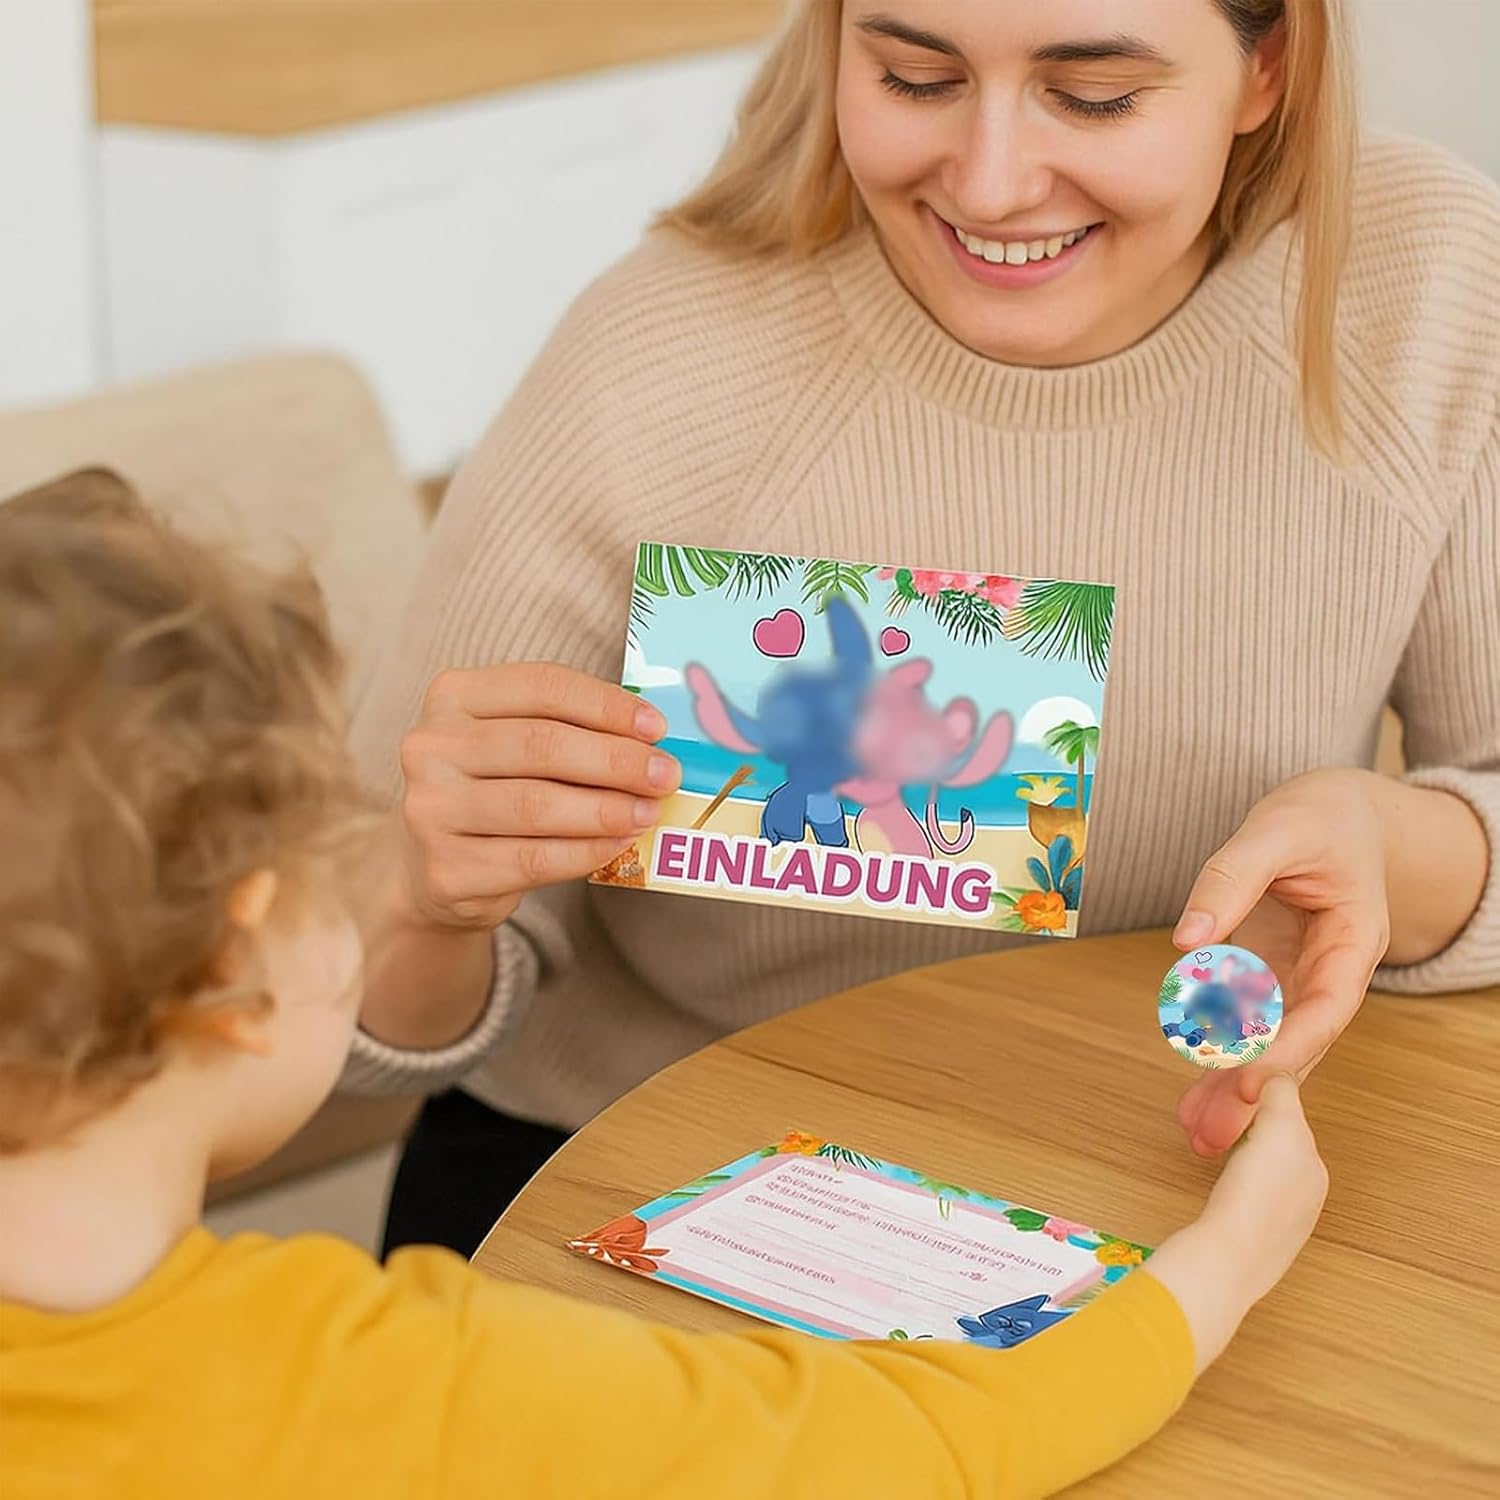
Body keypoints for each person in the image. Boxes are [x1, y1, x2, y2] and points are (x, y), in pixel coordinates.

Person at [350, 0, 1500, 1257]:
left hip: (1169, 1184)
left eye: (1096, 95)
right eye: (915, 77)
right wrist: (418, 902)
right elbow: (339, 1002)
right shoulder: (662, 355)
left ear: (1266, 65)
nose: (992, 184)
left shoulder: (1419, 278)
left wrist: (1397, 845)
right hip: (634, 1178)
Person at [0, 479, 1330, 1499]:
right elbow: (915, 1443)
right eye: (327, 866)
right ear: (234, 964)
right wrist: (1223, 1263)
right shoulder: (385, 1388)